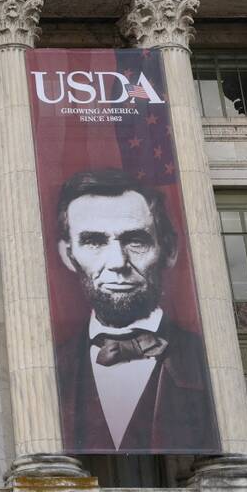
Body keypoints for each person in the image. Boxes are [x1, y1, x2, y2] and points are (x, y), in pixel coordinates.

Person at [53, 168, 220, 453]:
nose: (118, 262)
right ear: (69, 256)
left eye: (136, 241)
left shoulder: (209, 360)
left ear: (168, 250)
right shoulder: (52, 366)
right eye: (94, 241)